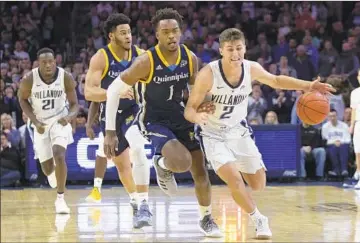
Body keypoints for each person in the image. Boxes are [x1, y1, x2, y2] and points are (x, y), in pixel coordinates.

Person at [183, 28, 335, 239]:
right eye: (230, 49)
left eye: (239, 48)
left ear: (245, 48)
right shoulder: (208, 74)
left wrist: (309, 85)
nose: (235, 54)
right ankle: (258, 219)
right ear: (221, 50)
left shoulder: (251, 68)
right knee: (235, 180)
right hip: (212, 133)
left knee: (258, 184)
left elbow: (276, 80)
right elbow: (189, 109)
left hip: (239, 131)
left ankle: (240, 182)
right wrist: (197, 117)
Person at [103, 8, 221, 237]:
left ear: (181, 32)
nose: (171, 36)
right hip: (154, 120)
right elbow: (113, 91)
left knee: (200, 170)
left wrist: (205, 102)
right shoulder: (144, 62)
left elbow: (195, 90)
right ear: (157, 35)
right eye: (165, 32)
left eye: (175, 31)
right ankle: (162, 165)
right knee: (182, 161)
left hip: (180, 116)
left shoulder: (189, 58)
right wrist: (109, 132)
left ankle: (206, 218)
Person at [84, 13, 152, 228]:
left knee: (139, 148)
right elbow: (89, 92)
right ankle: (135, 202)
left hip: (133, 110)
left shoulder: (140, 55)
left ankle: (144, 204)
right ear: (111, 36)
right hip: (110, 116)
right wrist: (115, 92)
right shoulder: (101, 57)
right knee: (122, 164)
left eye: (129, 32)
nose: (128, 36)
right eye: (123, 33)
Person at [18, 48, 79, 214]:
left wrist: (68, 118)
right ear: (38, 63)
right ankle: (52, 177)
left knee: (59, 154)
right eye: (44, 62)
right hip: (41, 123)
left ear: (55, 62)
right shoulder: (29, 79)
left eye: (50, 61)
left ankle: (60, 199)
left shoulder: (65, 77)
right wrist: (34, 120)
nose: (47, 65)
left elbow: (75, 104)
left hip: (59, 119)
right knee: (46, 169)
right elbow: (22, 100)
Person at [349, 67, 360, 189]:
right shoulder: (355, 93)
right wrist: (352, 125)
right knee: (358, 151)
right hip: (359, 123)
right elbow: (353, 110)